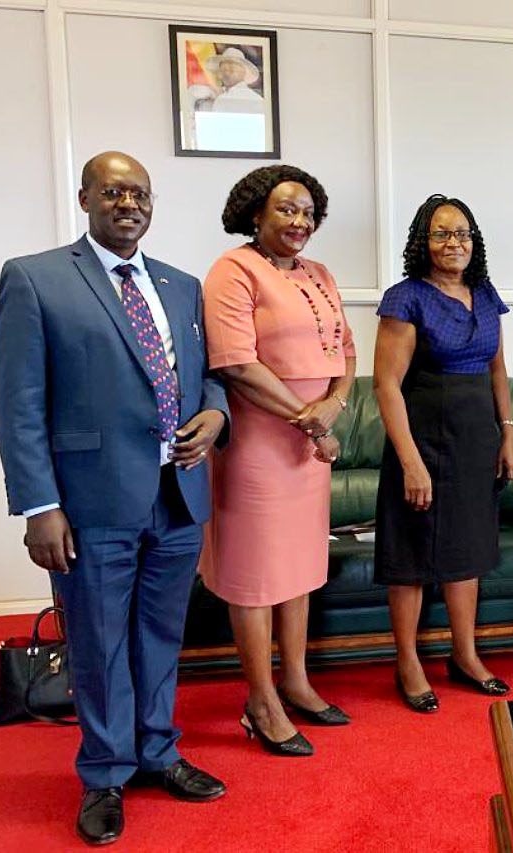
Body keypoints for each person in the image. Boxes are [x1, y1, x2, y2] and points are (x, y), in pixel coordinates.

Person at [0, 151, 230, 845]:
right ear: (86, 198)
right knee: (97, 641)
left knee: (162, 635)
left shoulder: (181, 286)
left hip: (179, 495)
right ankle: (103, 772)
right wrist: (39, 504)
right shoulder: (36, 279)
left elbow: (208, 378)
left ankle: (157, 751)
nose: (129, 203)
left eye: (140, 193)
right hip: (89, 500)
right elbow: (20, 403)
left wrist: (214, 416)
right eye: (114, 191)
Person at [203, 165, 356, 753]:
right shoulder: (233, 270)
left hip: (310, 441)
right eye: (286, 210)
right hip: (258, 445)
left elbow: (344, 349)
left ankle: (295, 680)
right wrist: (307, 419)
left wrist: (334, 406)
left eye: (307, 212)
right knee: (255, 575)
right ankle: (260, 701)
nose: (300, 222)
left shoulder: (320, 273)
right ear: (255, 214)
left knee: (297, 569)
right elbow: (236, 364)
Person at [374, 194, 513, 713]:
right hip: (423, 437)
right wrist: (410, 460)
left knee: (468, 549)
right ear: (423, 242)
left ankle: (465, 655)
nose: (453, 242)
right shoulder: (406, 297)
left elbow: (498, 368)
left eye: (462, 233)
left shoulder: (484, 291)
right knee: (412, 554)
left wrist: (508, 431)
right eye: (441, 234)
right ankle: (408, 662)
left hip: (476, 437)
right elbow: (387, 386)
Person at [206, 46, 264, 112]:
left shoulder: (255, 100)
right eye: (224, 68)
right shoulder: (257, 99)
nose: (227, 70)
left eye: (232, 67)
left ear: (243, 72)